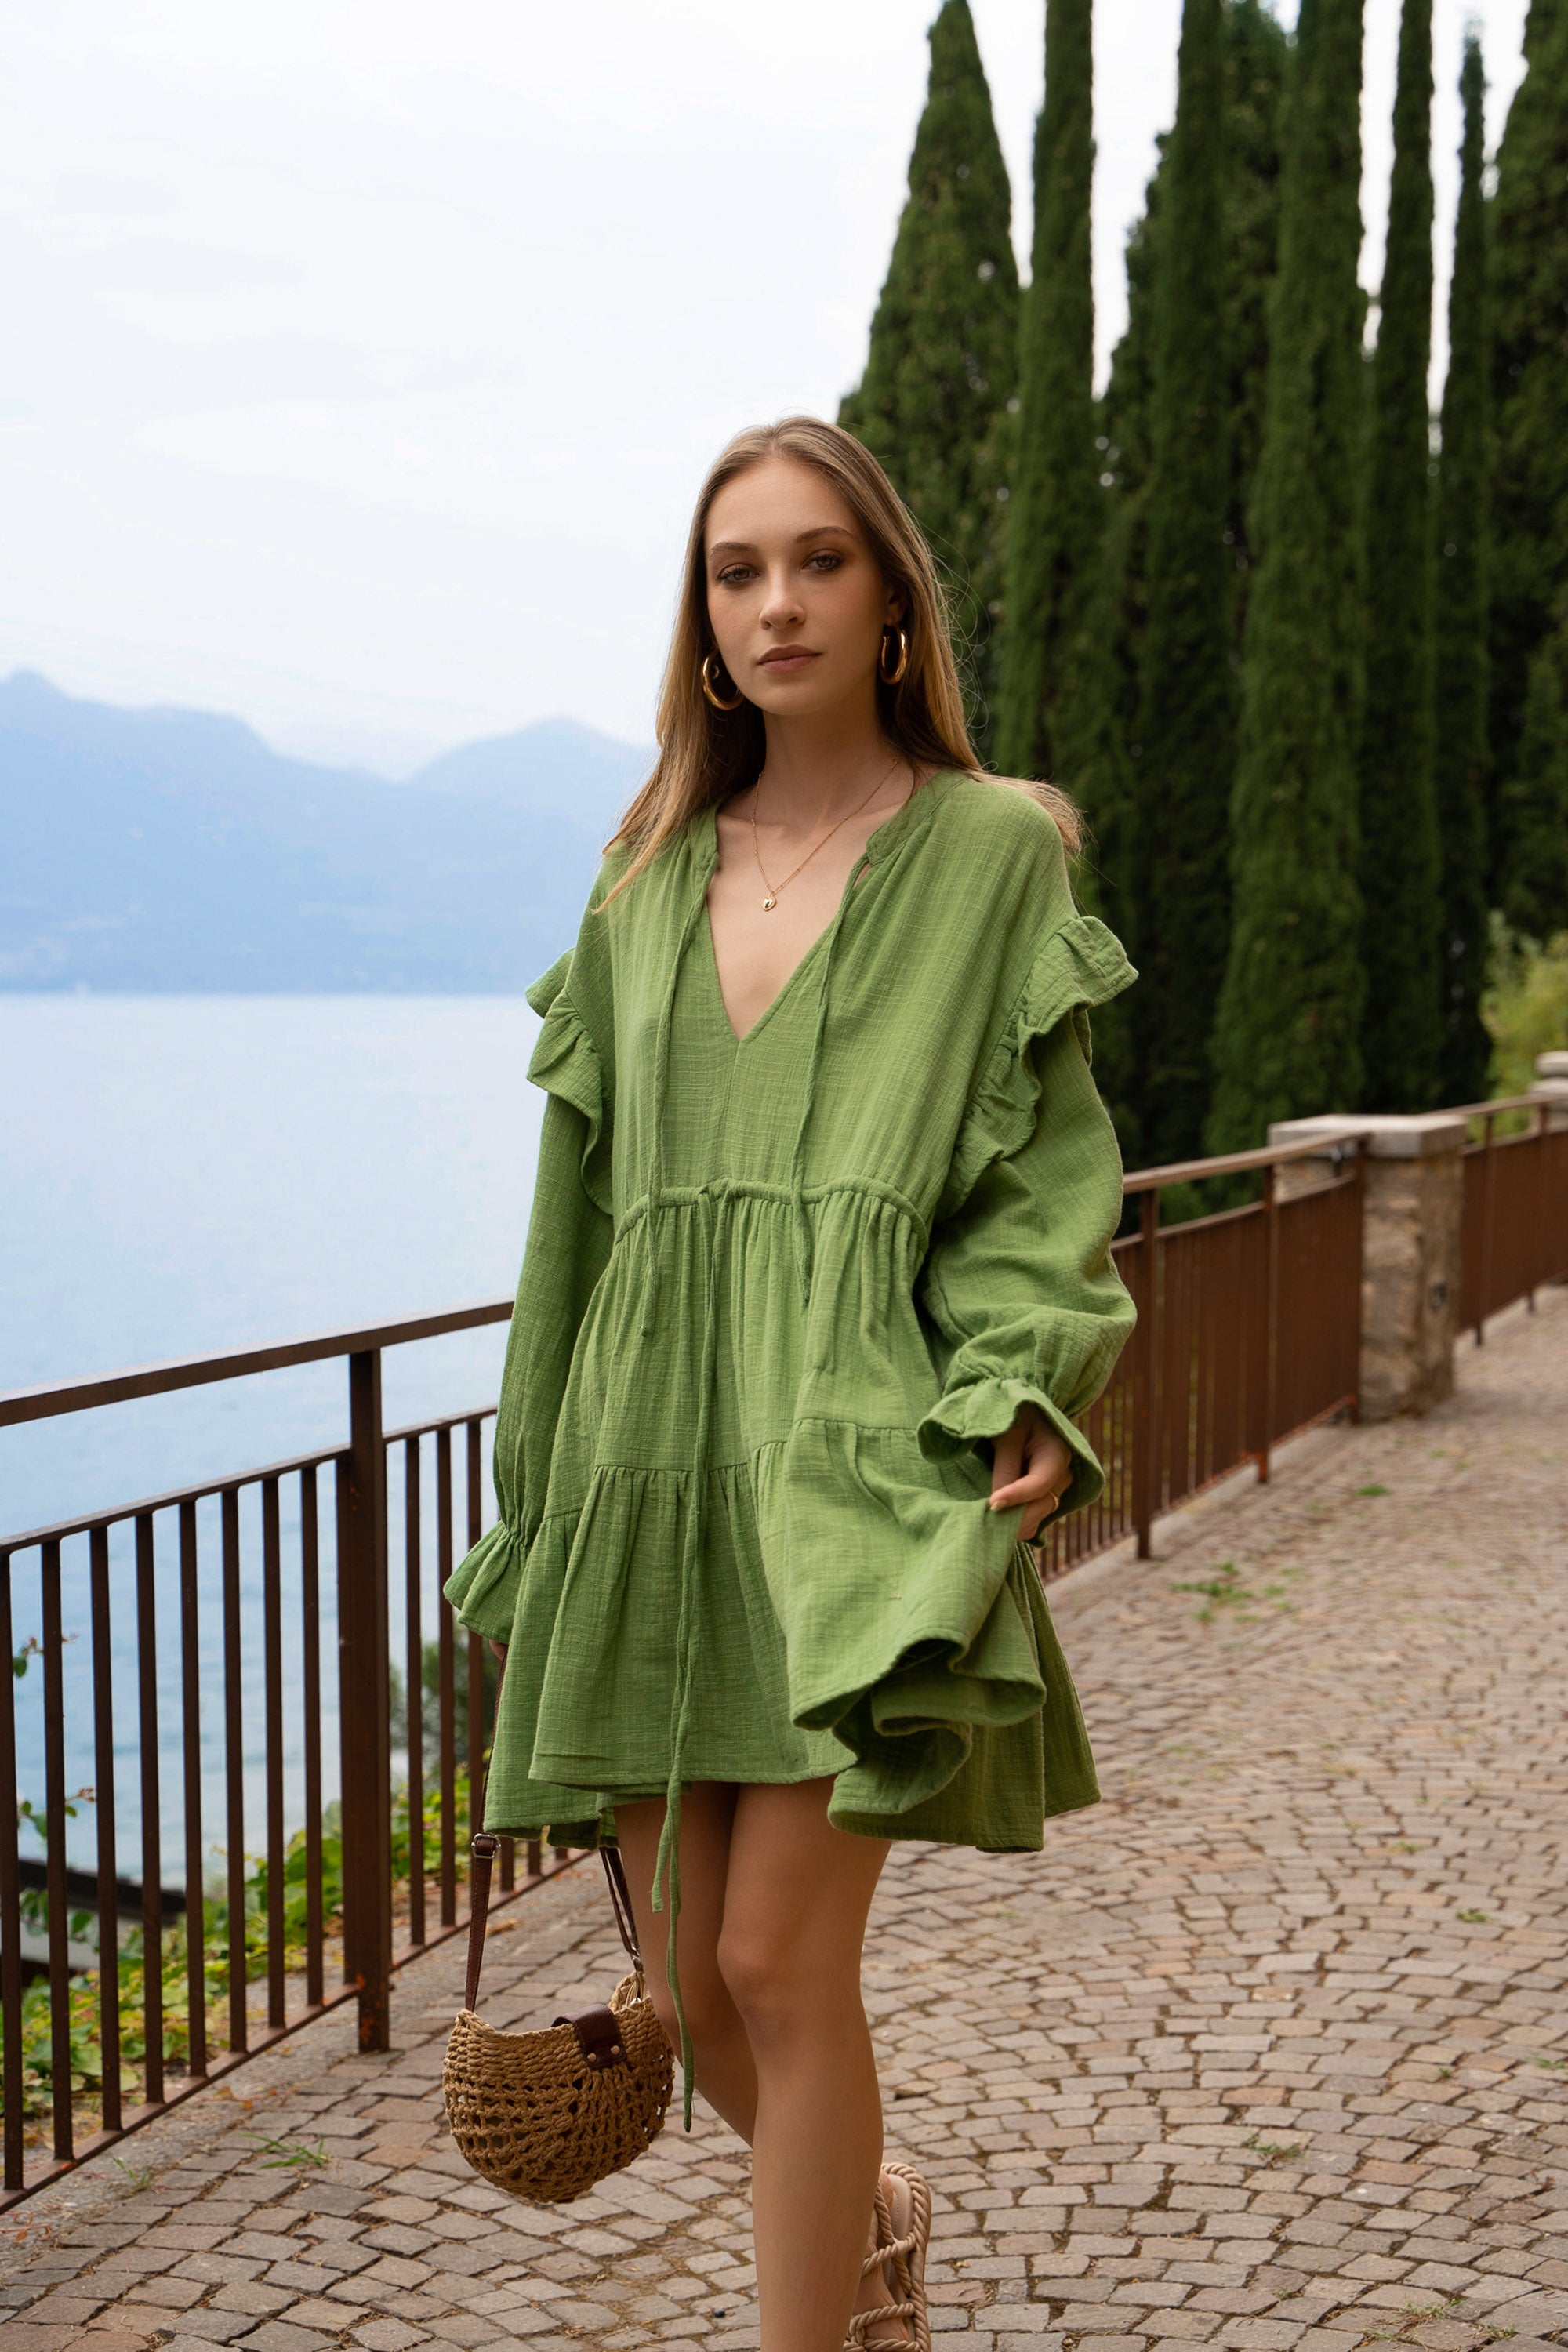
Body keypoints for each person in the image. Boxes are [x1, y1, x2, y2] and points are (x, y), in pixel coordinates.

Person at [445, 415, 1136, 2352]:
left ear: (892, 594)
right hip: (651, 1462)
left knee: (775, 1955)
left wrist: (1026, 1377)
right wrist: (541, 1503)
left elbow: (1041, 1176)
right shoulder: (641, 873)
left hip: (855, 1462)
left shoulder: (996, 850)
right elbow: (572, 1222)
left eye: (817, 560)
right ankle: (869, 2211)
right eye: (736, 571)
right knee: (688, 1982)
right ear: (700, 619)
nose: (775, 602)